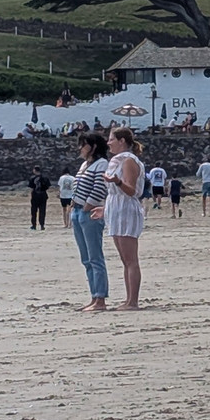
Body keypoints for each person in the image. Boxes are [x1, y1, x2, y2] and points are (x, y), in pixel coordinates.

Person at [93, 127, 145, 311]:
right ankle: (128, 299)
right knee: (125, 260)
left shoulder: (128, 160)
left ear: (122, 141)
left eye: (111, 139)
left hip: (126, 209)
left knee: (131, 259)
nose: (108, 143)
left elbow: (131, 190)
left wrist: (117, 181)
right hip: (116, 208)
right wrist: (105, 209)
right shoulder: (118, 160)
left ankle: (133, 301)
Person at [72, 132, 110, 312]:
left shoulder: (101, 164)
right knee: (86, 258)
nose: (80, 148)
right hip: (78, 211)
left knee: (95, 257)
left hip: (89, 213)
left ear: (93, 147)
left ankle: (100, 298)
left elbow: (99, 188)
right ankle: (94, 296)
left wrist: (87, 207)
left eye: (84, 144)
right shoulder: (85, 165)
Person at [28, 166, 51, 230]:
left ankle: (34, 225)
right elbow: (48, 186)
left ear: (34, 170)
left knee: (34, 211)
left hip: (35, 195)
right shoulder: (45, 178)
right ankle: (42, 225)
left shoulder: (32, 178)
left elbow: (31, 188)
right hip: (43, 195)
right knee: (42, 211)